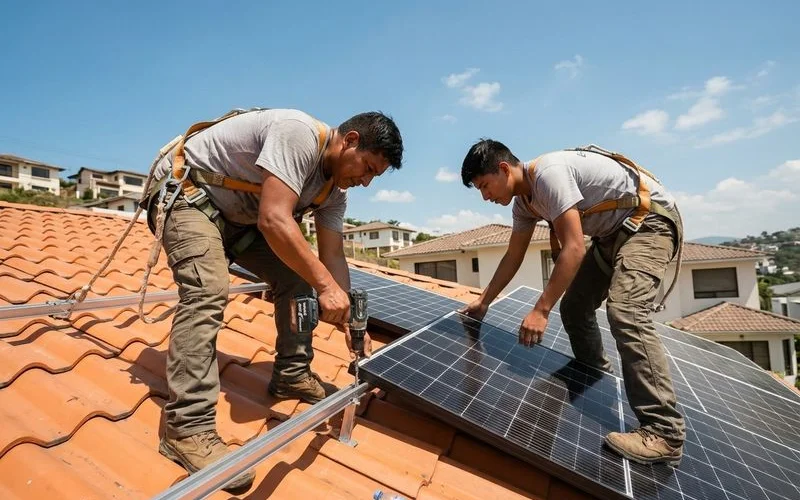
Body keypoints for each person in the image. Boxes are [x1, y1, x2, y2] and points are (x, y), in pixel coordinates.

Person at [146, 108, 403, 490]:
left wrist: (352, 320)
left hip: (237, 223)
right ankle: (187, 429)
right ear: (349, 141)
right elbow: (274, 219)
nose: (364, 181)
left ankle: (291, 375)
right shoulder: (298, 134)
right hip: (189, 196)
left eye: (373, 177)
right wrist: (326, 287)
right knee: (208, 289)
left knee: (300, 278)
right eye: (366, 167)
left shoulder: (334, 194)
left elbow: (332, 259)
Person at [458, 139, 685, 467]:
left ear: (504, 169)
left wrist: (540, 309)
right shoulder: (524, 203)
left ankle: (665, 432)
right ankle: (595, 371)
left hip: (648, 224)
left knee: (626, 312)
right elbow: (514, 255)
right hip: (613, 235)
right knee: (575, 306)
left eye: (485, 185)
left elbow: (575, 248)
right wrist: (484, 302)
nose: (485, 196)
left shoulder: (548, 175)